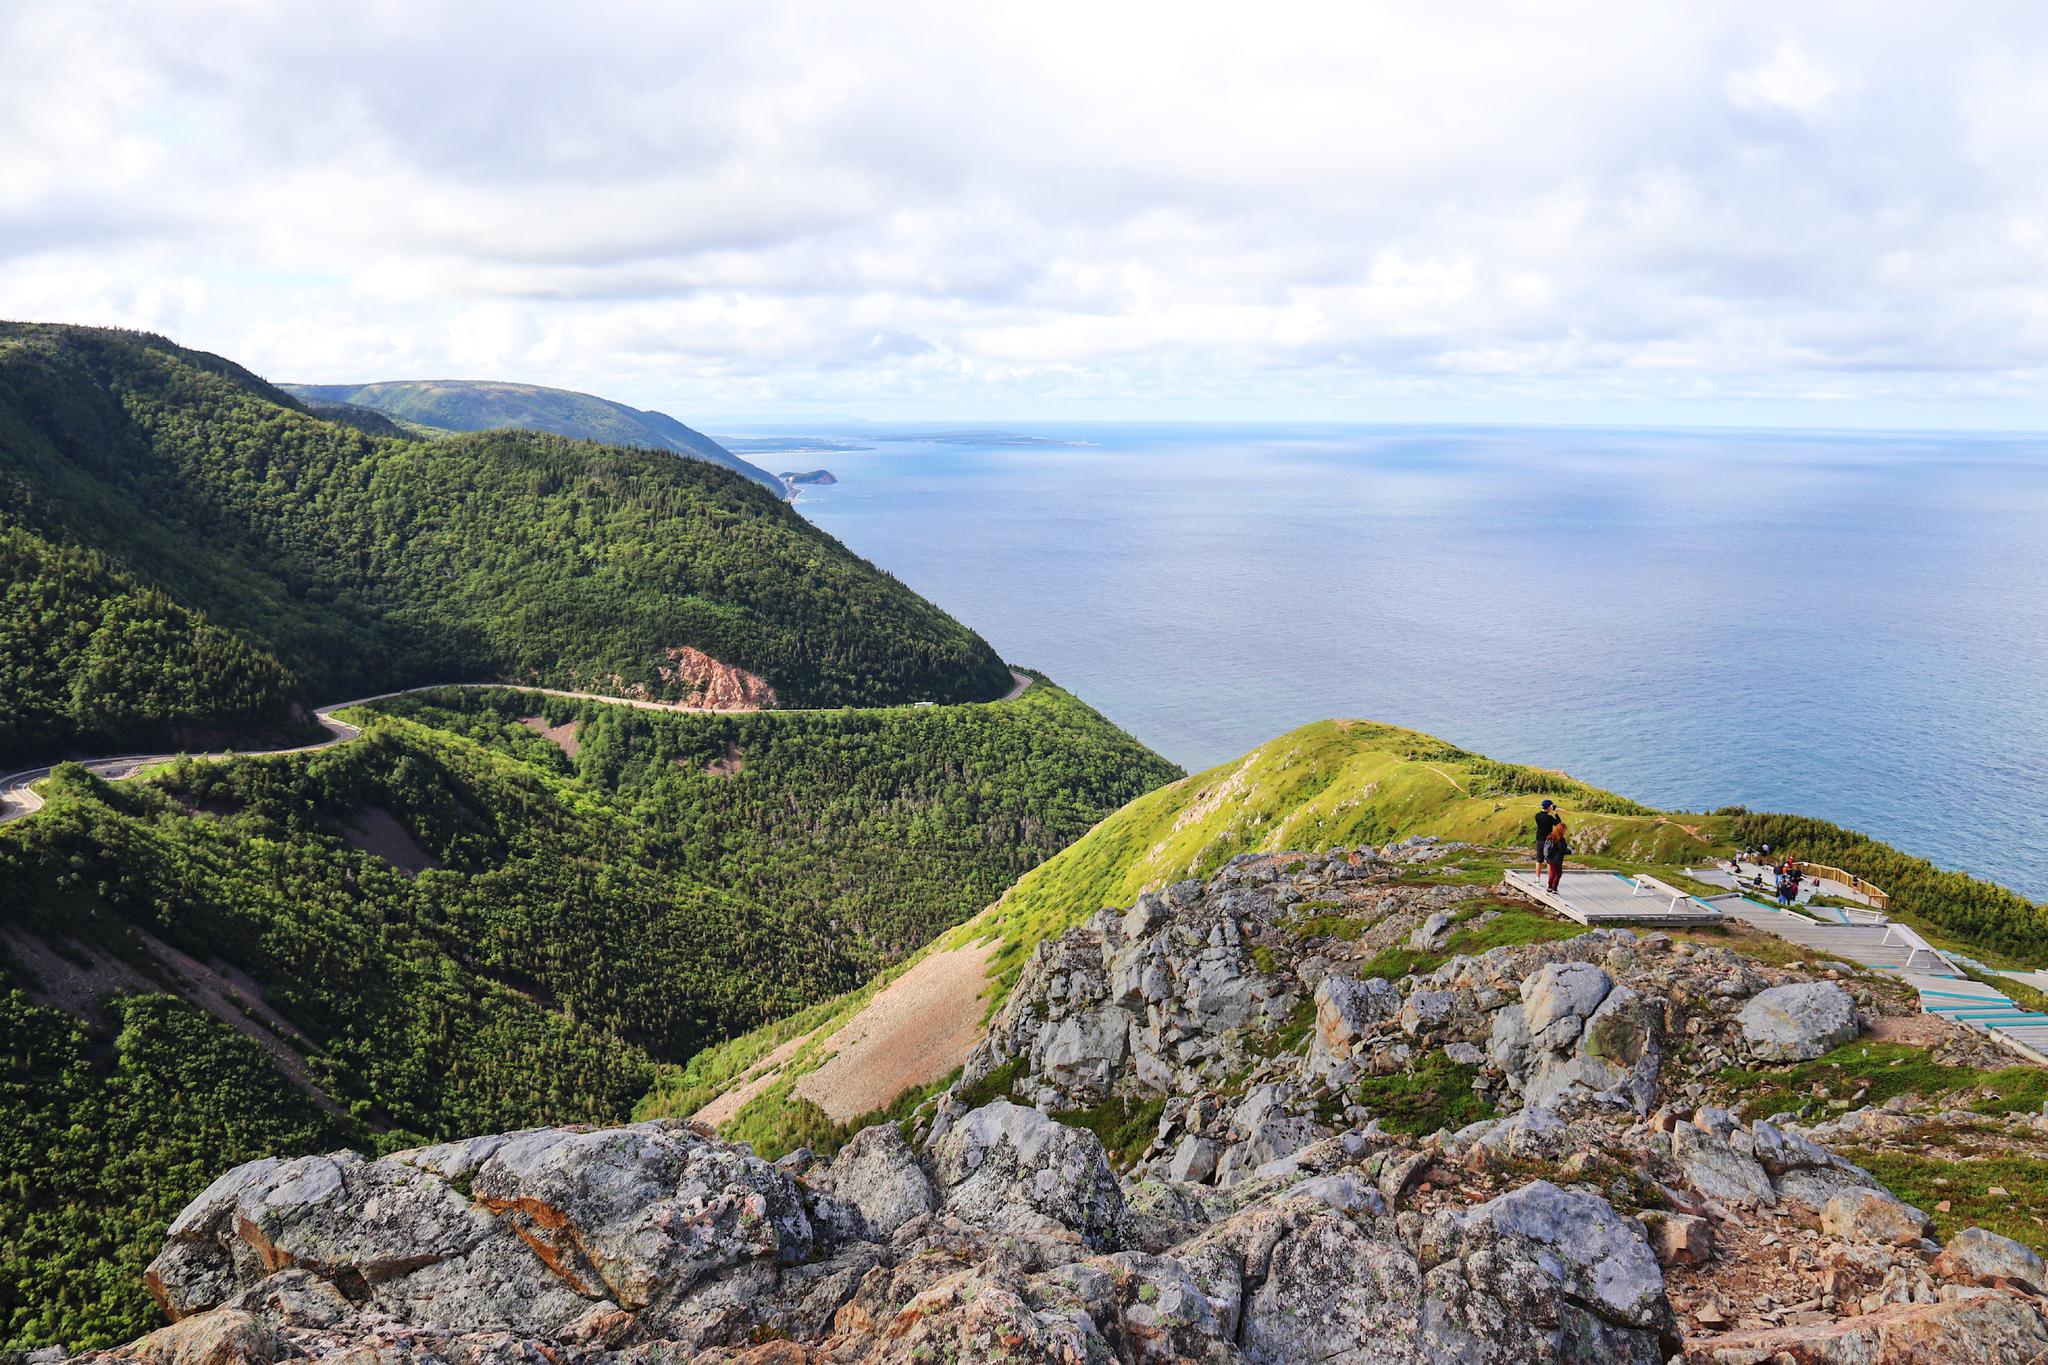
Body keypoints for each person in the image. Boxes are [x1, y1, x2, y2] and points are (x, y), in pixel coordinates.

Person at [1543, 812, 1570, 893]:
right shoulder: (1560, 839)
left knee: (1552, 873)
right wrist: (1570, 851)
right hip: (1557, 859)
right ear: (1562, 830)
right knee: (1558, 874)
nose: (1565, 831)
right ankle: (1554, 889)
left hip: (1550, 858)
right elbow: (1562, 850)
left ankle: (1549, 887)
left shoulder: (1551, 836)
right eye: (1565, 829)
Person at [1533, 799, 1560, 870]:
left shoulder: (1537, 816)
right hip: (1548, 840)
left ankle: (1537, 879)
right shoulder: (1549, 818)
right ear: (1549, 807)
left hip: (1539, 839)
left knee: (1539, 860)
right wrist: (1556, 813)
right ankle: (1549, 879)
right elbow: (1558, 824)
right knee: (1549, 860)